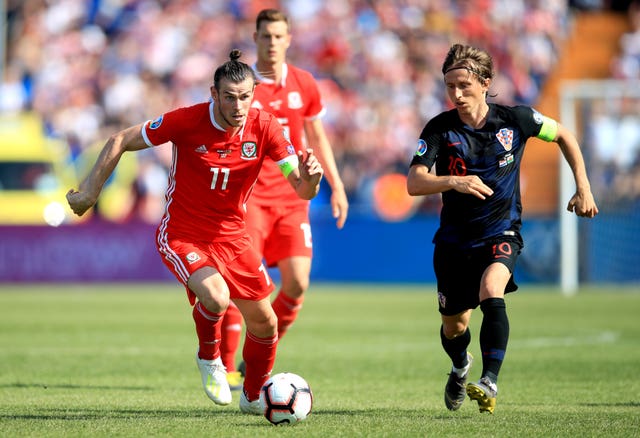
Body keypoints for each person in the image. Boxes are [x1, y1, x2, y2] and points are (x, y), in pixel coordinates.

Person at [66, 50, 324, 414]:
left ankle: (252, 397)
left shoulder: (265, 127)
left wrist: (312, 181)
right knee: (217, 297)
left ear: (254, 94)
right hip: (183, 232)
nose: (238, 106)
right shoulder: (186, 121)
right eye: (230, 97)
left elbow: (301, 189)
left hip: (234, 236)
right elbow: (120, 140)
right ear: (213, 94)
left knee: (265, 323)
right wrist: (90, 191)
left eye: (245, 97)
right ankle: (210, 359)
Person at [406, 43, 598, 414]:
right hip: (453, 241)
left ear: (485, 82)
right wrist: (454, 182)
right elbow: (414, 183)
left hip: (501, 232)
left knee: (493, 289)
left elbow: (563, 135)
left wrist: (583, 187)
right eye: (450, 87)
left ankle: (489, 381)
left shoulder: (516, 120)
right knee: (454, 326)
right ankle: (461, 366)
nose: (456, 94)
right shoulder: (439, 129)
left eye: (463, 85)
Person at [219, 8, 349, 389]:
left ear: (288, 39)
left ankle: (256, 352)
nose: (272, 42)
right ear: (255, 38)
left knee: (297, 283)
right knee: (237, 282)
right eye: (265, 36)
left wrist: (336, 184)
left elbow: (317, 136)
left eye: (279, 36)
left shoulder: (305, 83)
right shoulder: (242, 85)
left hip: (293, 198)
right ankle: (226, 368)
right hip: (250, 198)